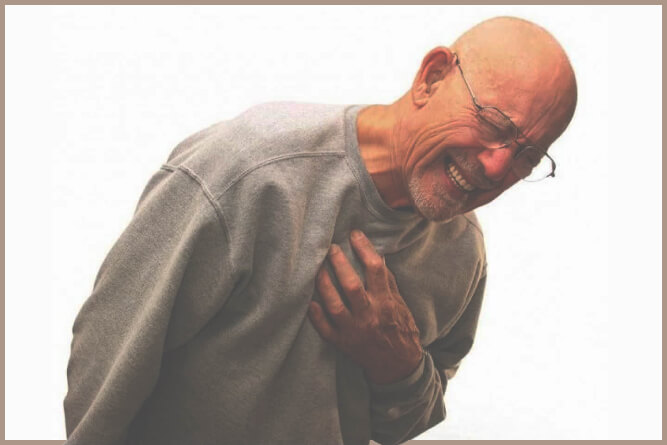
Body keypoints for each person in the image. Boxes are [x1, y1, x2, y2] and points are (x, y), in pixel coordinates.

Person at [64, 16, 577, 445]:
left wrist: (397, 364)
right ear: (432, 76)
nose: (496, 166)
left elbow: (409, 419)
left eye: (527, 156)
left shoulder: (464, 253)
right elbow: (104, 371)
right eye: (494, 123)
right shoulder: (246, 172)